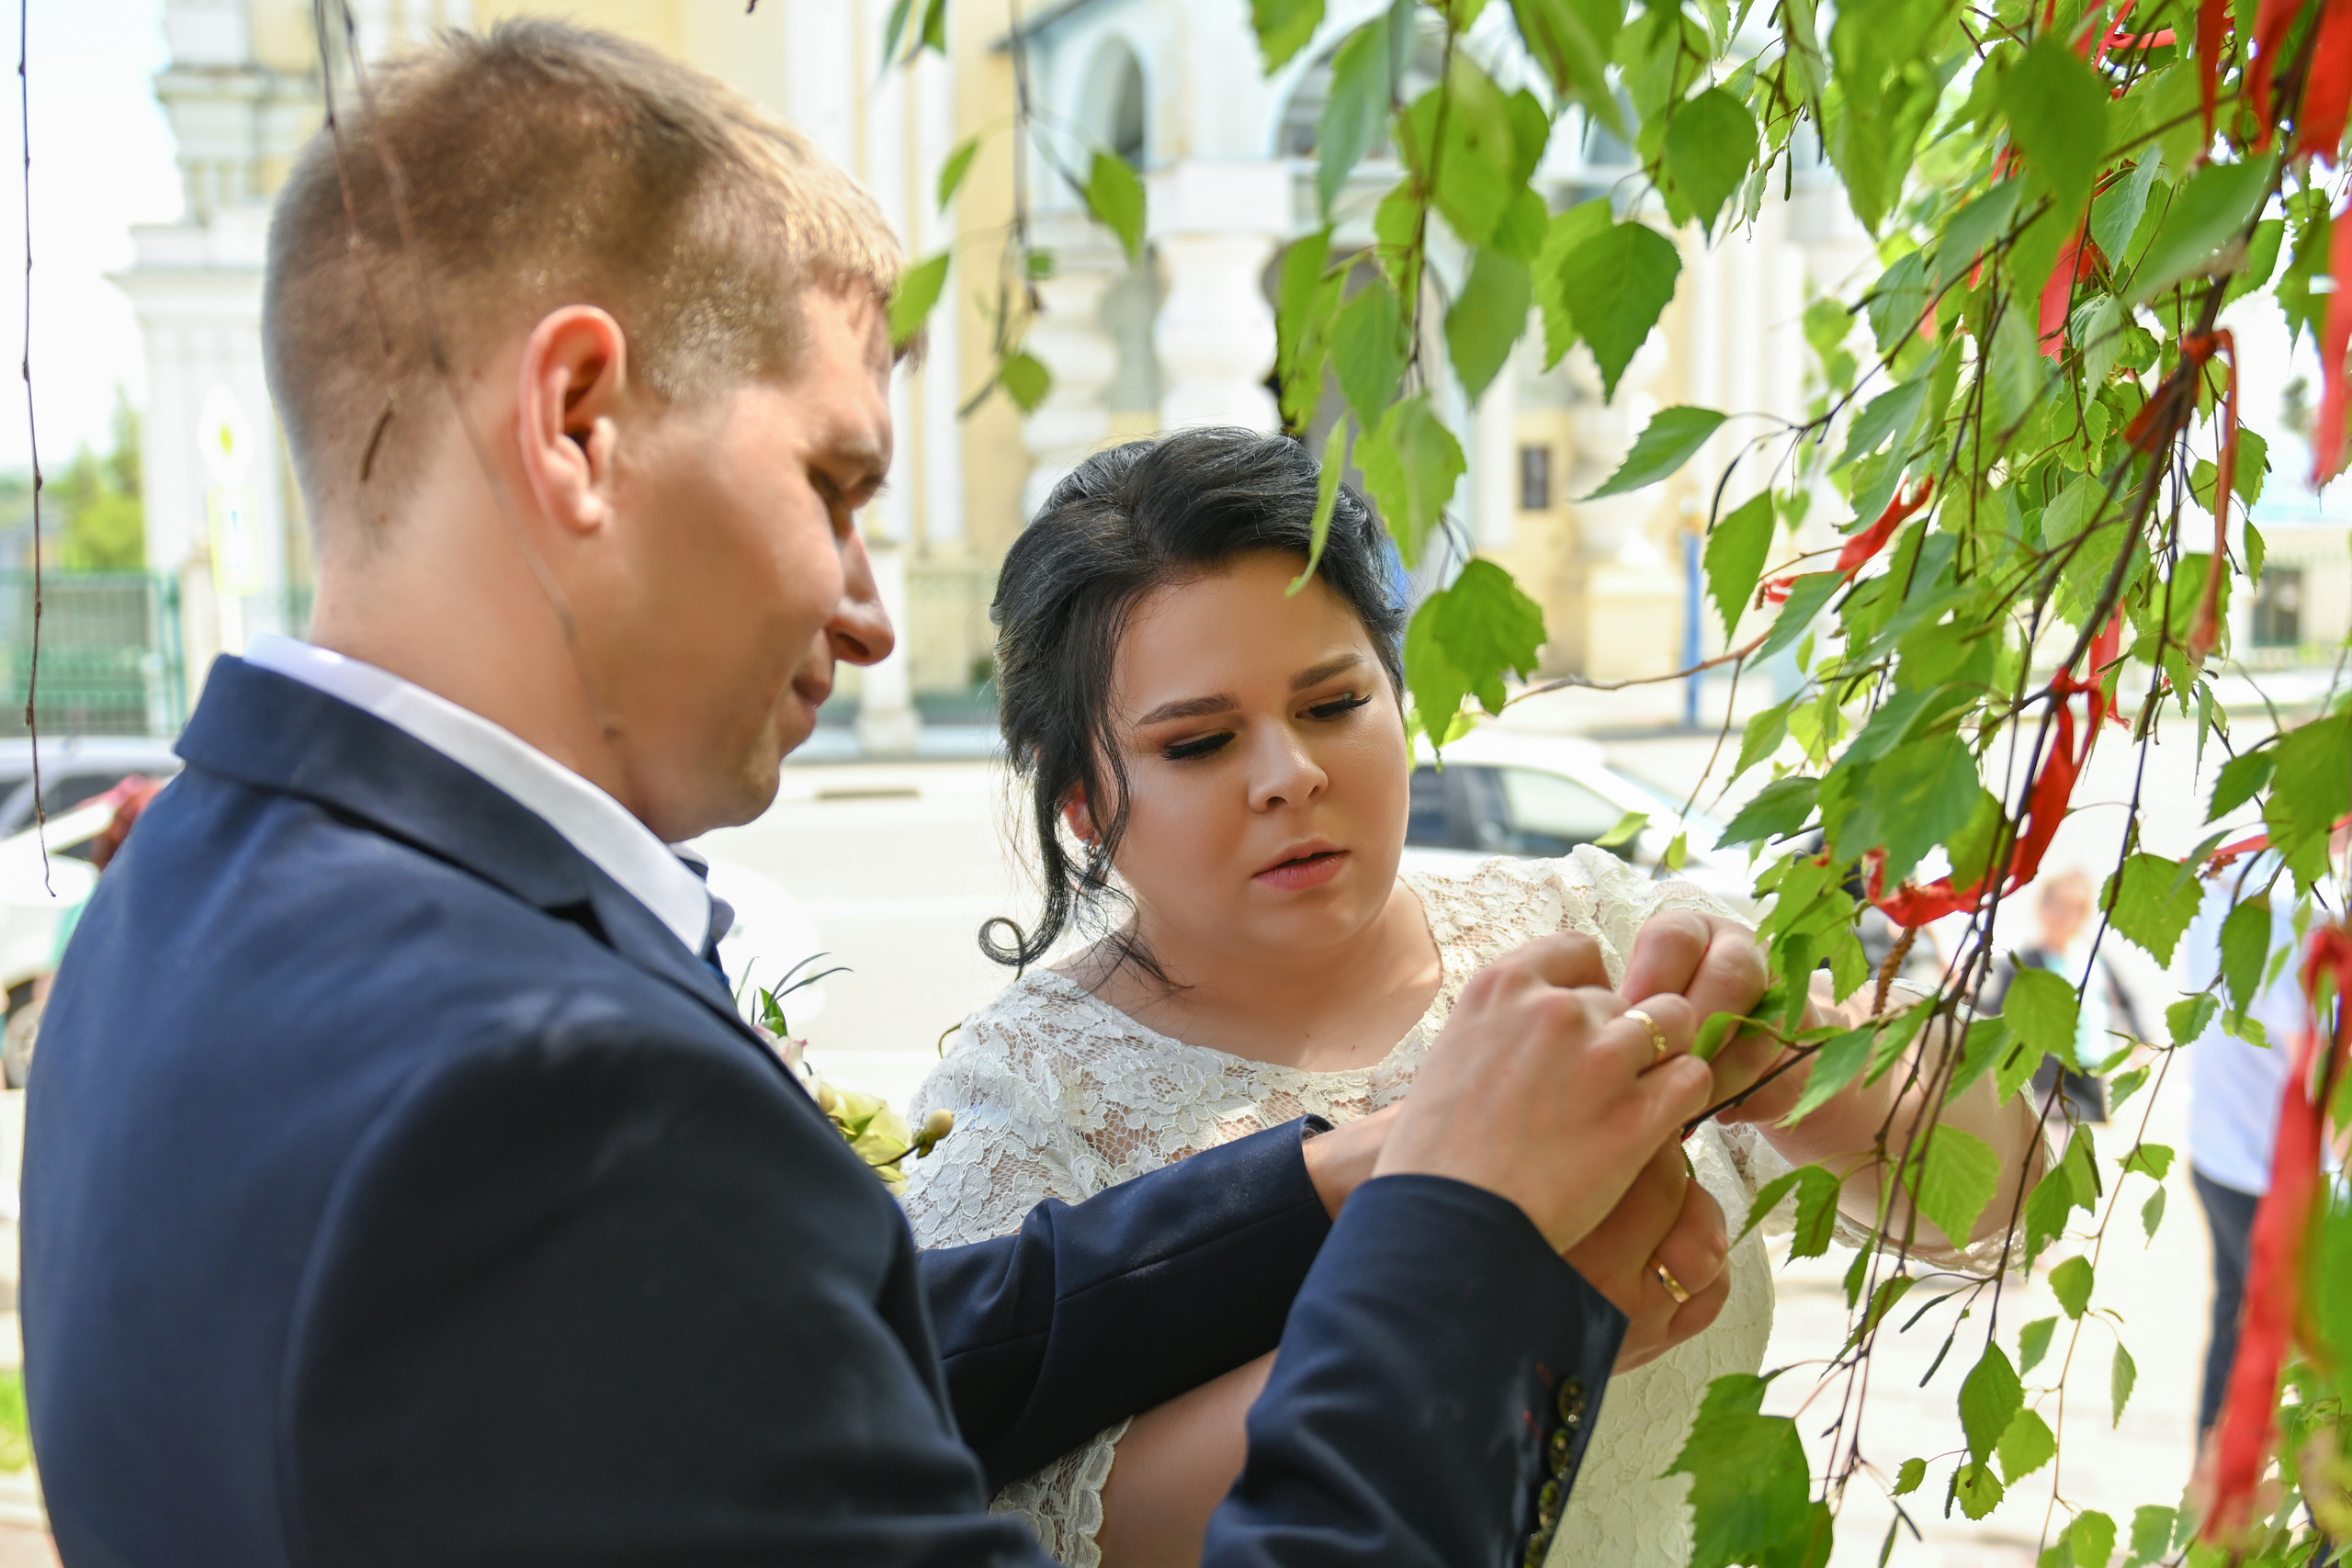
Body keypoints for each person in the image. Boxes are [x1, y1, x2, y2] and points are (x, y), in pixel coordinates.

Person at [21, 24, 1731, 1567]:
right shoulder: (552, 1084)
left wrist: (1350, 1174)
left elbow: (836, 1348)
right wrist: (1480, 1250)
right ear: (579, 422)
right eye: (834, 486)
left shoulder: (172, 905)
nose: (867, 609)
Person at [902, 430, 2052, 1568]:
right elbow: (1036, 1522)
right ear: (1083, 805)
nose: (1291, 774)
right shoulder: (1027, 1096)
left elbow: (2002, 1192)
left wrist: (1794, 1060)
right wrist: (1509, 1325)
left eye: (1332, 704)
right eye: (1200, 743)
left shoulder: (1597, 927)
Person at [1987, 867, 2147, 1122]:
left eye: (2075, 909)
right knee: (2055, 1133)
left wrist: (2140, 1041)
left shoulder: (2093, 957)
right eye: (2059, 906)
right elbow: (2000, 1012)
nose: (2065, 916)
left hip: (2093, 1065)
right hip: (2051, 1072)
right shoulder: (2026, 963)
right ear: (2043, 907)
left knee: (2088, 1133)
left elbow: (2125, 999)